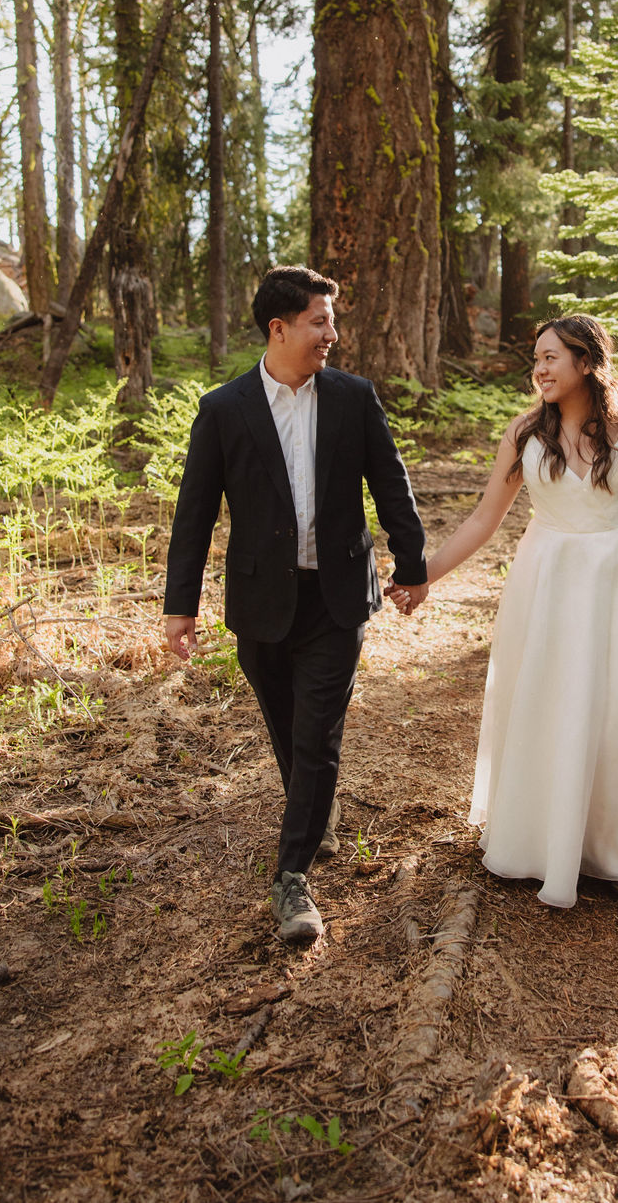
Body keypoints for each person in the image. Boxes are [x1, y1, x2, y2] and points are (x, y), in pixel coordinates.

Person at [390, 314, 618, 908]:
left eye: (550, 358)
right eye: (536, 359)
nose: (538, 370)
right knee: (546, 700)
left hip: (617, 583)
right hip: (545, 585)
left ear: (587, 362)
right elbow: (482, 520)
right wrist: (422, 578)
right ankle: (535, 839)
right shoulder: (524, 433)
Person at [164, 265, 428, 944]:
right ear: (279, 328)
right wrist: (180, 606)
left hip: (337, 597)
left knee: (317, 732)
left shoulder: (353, 398)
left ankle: (292, 877)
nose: (332, 335)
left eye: (331, 321)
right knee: (289, 729)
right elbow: (194, 513)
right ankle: (314, 814)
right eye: (320, 321)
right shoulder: (223, 409)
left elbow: (391, 484)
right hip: (260, 603)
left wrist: (413, 562)